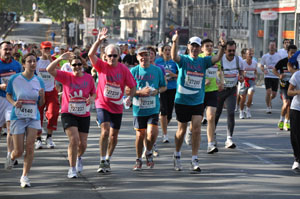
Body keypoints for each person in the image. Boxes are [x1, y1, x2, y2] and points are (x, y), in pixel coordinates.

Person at [171, 31, 225, 172]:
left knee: (196, 129)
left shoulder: (204, 61)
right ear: (188, 47)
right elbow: (174, 56)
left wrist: (222, 47)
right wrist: (175, 42)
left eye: (197, 46)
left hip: (197, 100)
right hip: (182, 100)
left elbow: (217, 58)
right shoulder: (184, 59)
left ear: (200, 48)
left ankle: (194, 159)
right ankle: (177, 154)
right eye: (192, 46)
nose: (195, 49)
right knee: (181, 131)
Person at [88, 28, 137, 173]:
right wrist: (98, 41)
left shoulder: (123, 70)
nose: (112, 58)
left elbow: (133, 86)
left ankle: (108, 158)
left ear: (119, 56)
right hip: (102, 103)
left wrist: (130, 97)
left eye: (115, 56)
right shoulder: (101, 66)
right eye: (109, 56)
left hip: (117, 106)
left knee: (114, 136)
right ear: (105, 56)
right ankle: (102, 159)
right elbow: (91, 54)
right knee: (105, 131)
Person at [46, 52, 96, 178]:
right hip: (68, 113)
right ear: (70, 66)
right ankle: (72, 168)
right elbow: (49, 69)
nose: (77, 67)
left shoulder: (88, 78)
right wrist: (60, 59)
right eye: (74, 65)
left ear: (82, 66)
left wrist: (91, 98)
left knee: (83, 144)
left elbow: (93, 93)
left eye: (79, 64)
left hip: (84, 113)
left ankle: (78, 157)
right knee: (74, 140)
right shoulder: (65, 76)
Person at [6, 53, 45, 187]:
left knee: (30, 147)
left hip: (33, 117)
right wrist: (13, 103)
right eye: (29, 61)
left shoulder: (39, 81)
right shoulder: (14, 78)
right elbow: (8, 94)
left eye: (34, 61)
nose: (33, 64)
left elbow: (41, 104)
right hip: (18, 117)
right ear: (24, 64)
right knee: (19, 151)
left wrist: (42, 96)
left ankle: (25, 176)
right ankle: (11, 157)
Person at [130, 46, 166, 171]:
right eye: (141, 55)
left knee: (151, 133)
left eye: (146, 55)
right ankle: (138, 159)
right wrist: (140, 92)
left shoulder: (157, 70)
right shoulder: (133, 71)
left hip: (153, 108)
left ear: (150, 57)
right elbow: (127, 90)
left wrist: (157, 91)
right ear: (137, 57)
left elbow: (164, 86)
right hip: (139, 108)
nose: (144, 57)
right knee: (140, 135)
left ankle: (149, 151)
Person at [185, 38, 223, 154]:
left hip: (212, 91)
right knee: (198, 120)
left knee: (211, 116)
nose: (210, 48)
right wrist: (203, 80)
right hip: (199, 92)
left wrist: (221, 81)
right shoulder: (199, 59)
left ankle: (210, 144)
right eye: (207, 46)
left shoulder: (215, 59)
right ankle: (190, 130)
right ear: (202, 48)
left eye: (211, 46)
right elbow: (192, 73)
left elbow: (219, 72)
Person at [215, 40, 244, 149]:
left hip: (232, 89)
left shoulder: (238, 60)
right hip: (220, 90)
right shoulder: (220, 59)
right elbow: (214, 71)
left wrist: (241, 77)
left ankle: (229, 138)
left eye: (233, 50)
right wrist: (217, 83)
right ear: (225, 50)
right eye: (229, 51)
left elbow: (242, 71)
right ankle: (212, 135)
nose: (232, 53)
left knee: (231, 113)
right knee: (216, 113)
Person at [0, 41, 22, 169]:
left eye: (9, 49)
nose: (7, 52)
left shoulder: (17, 65)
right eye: (5, 49)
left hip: (10, 99)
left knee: (10, 128)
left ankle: (9, 156)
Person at [35, 41, 60, 149]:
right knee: (38, 116)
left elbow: (58, 72)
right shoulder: (36, 61)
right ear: (41, 50)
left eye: (49, 49)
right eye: (45, 49)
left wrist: (51, 60)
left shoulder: (53, 60)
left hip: (51, 91)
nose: (47, 51)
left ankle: (49, 137)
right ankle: (38, 139)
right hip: (39, 91)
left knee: (54, 113)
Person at [155, 44, 178, 143]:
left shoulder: (174, 62)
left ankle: (164, 125)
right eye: (166, 50)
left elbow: (180, 74)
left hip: (172, 88)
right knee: (163, 111)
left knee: (169, 114)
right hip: (162, 89)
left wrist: (173, 75)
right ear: (162, 51)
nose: (168, 52)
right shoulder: (158, 62)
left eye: (169, 50)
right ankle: (165, 134)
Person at [273, 45, 297, 131]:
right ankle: (281, 119)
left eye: (295, 53)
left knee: (290, 105)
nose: (293, 54)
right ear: (288, 53)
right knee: (286, 103)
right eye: (291, 53)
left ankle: (287, 122)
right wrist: (279, 75)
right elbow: (274, 70)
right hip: (284, 86)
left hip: (293, 86)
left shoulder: (297, 63)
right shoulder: (282, 62)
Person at [260, 41, 282, 114]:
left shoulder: (278, 56)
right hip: (268, 76)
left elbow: (281, 66)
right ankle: (268, 107)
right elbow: (261, 65)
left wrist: (280, 74)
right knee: (268, 92)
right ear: (268, 47)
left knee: (274, 94)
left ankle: (268, 100)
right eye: (271, 45)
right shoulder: (265, 56)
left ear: (275, 47)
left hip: (275, 77)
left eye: (273, 45)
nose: (272, 47)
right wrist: (264, 70)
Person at [287, 67, 300, 171]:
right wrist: (298, 92)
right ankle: (296, 159)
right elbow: (289, 92)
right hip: (297, 108)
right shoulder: (297, 75)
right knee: (295, 135)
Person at [239, 48, 257, 119]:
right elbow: (239, 72)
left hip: (251, 81)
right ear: (246, 55)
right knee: (243, 98)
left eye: (252, 54)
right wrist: (243, 74)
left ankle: (248, 109)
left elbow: (255, 71)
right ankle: (241, 111)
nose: (250, 55)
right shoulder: (242, 63)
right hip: (244, 81)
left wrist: (255, 76)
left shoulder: (254, 63)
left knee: (250, 95)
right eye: (249, 54)